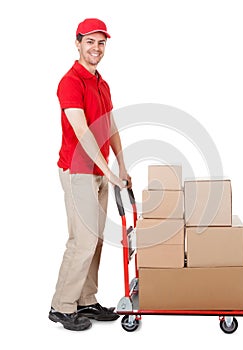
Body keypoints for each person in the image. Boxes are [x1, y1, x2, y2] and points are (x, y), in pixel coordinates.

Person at [49, 18, 132, 331]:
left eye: (101, 43)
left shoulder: (101, 82)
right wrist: (109, 171)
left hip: (100, 172)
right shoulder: (70, 82)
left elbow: (109, 125)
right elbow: (82, 131)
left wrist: (121, 165)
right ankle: (62, 305)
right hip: (78, 170)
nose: (96, 48)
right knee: (81, 241)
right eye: (90, 42)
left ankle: (86, 300)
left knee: (95, 240)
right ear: (78, 43)